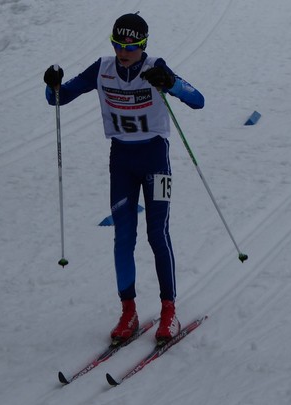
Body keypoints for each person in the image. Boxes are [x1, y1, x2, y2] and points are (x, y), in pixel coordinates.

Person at [43, 13, 204, 344]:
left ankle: (168, 311)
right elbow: (58, 97)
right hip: (122, 162)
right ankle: (128, 311)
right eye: (117, 44)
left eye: (130, 46)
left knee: (157, 233)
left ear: (143, 45)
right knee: (123, 237)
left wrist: (169, 83)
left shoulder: (156, 66)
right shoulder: (102, 68)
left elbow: (197, 100)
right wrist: (52, 83)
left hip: (156, 160)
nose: (122, 52)